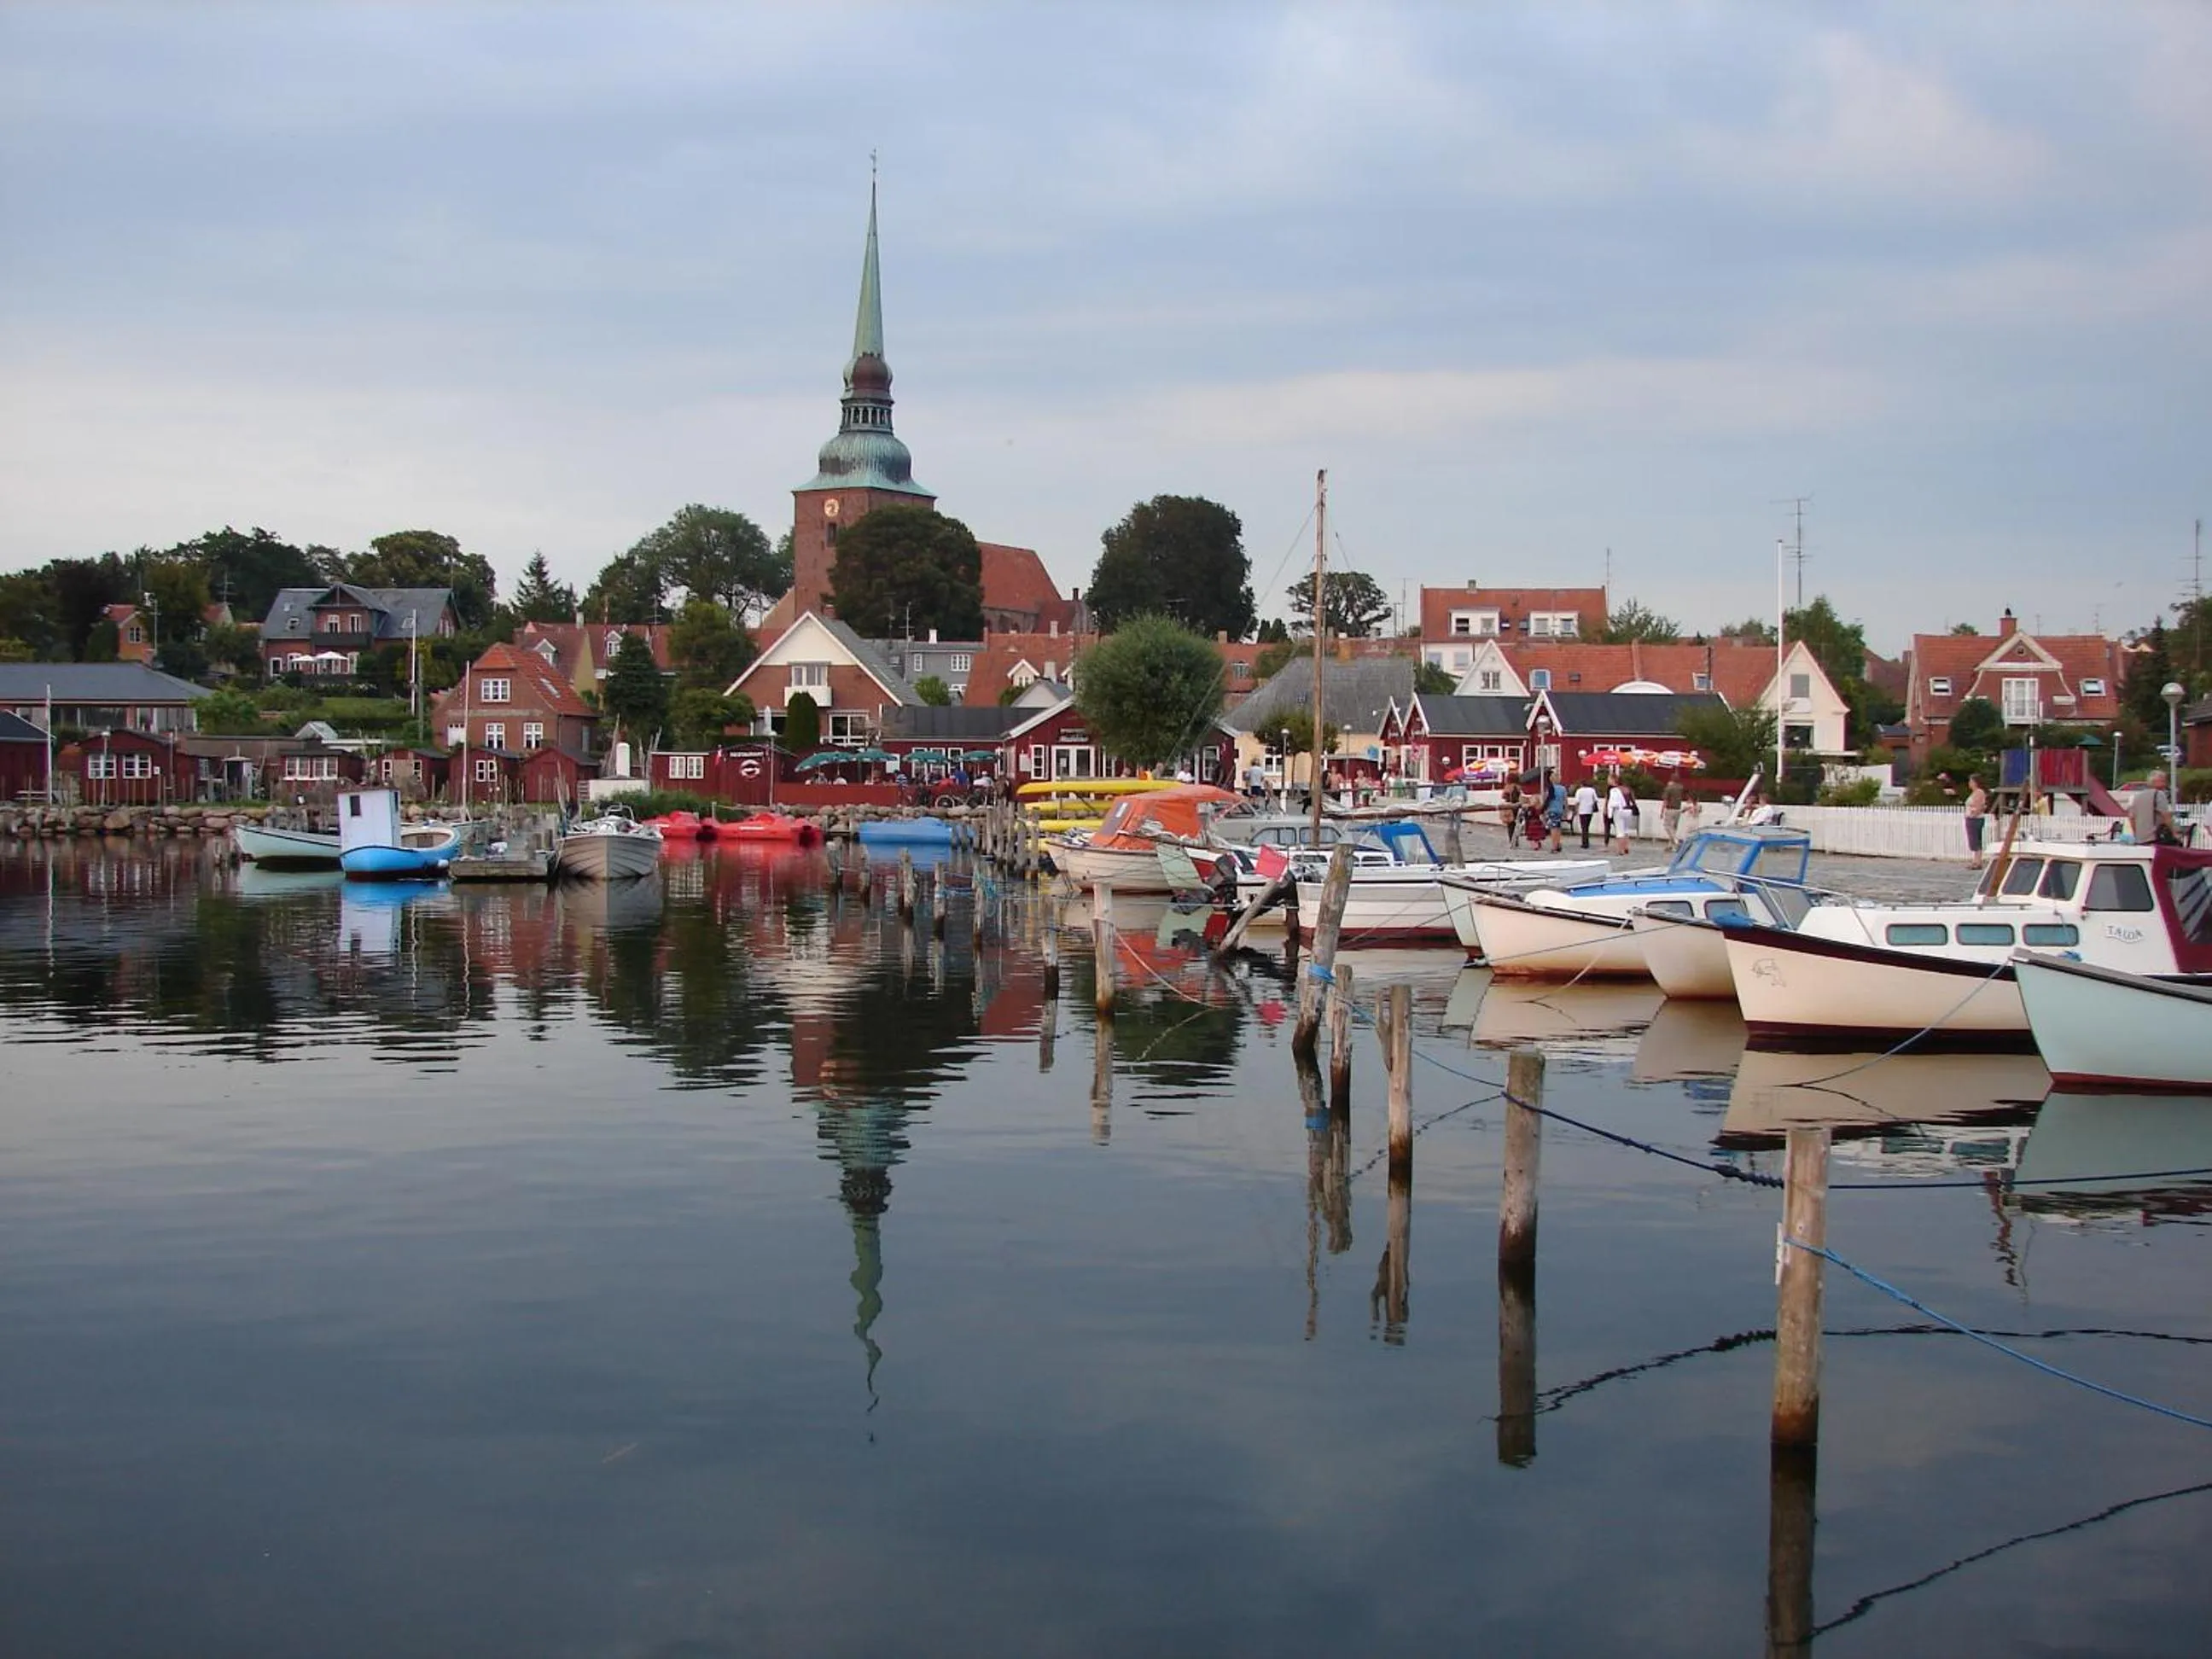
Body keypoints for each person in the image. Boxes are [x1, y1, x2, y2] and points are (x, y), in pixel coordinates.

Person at [2131, 770, 2179, 846]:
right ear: (2155, 782)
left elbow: (2132, 818)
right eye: (2163, 781)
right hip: (2155, 838)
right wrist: (2174, 833)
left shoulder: (2137, 797)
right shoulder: (2159, 794)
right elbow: (2166, 816)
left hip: (2140, 840)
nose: (2165, 784)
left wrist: (2136, 834)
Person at [1962, 775, 1989, 868]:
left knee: (1975, 840)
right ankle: (1975, 861)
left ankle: (1978, 862)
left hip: (1975, 819)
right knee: (1974, 840)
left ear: (1975, 782)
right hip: (1972, 818)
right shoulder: (1974, 793)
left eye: (1971, 781)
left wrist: (1973, 815)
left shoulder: (1979, 792)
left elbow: (1979, 806)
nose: (1969, 783)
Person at [1608, 777, 1638, 854]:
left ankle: (1620, 849)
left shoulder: (1615, 790)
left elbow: (1613, 802)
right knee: (1626, 830)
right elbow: (1633, 800)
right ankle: (1626, 847)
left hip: (1619, 810)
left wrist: (1610, 812)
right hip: (1628, 810)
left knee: (1619, 830)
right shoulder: (1627, 789)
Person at [1543, 769, 1568, 853]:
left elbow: (1547, 799)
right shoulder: (1563, 789)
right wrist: (1566, 812)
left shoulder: (1550, 788)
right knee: (1558, 828)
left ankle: (1554, 846)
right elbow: (1565, 801)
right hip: (1560, 810)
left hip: (1552, 809)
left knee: (1553, 828)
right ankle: (1558, 843)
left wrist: (1544, 810)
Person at [1661, 771, 1686, 849]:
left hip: (1670, 809)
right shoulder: (1681, 788)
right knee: (1674, 828)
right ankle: (1671, 845)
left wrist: (1662, 811)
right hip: (1678, 809)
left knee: (1667, 826)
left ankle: (1676, 841)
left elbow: (1666, 800)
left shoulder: (1669, 788)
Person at [1572, 779, 1600, 849]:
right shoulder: (1592, 790)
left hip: (1582, 810)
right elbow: (1596, 799)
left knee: (1583, 827)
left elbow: (1577, 801)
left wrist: (1576, 810)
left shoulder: (1579, 791)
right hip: (1589, 810)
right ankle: (1586, 841)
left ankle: (1585, 842)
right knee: (1587, 826)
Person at [1501, 776, 1522, 847]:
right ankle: (1516, 839)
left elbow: (1504, 796)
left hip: (1510, 806)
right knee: (1517, 824)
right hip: (1518, 806)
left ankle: (1511, 840)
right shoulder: (1519, 787)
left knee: (1510, 824)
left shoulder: (1508, 787)